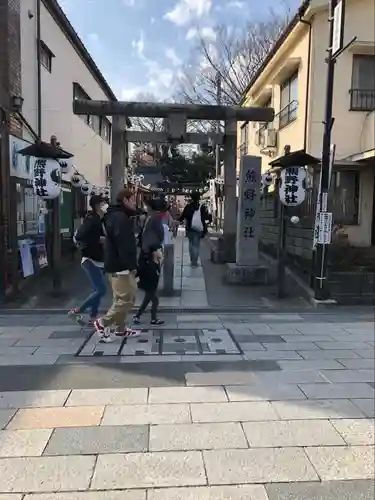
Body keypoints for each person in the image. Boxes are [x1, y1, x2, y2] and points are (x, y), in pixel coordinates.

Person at [94, 187, 139, 342]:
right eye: (133, 200)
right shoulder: (120, 218)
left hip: (115, 265)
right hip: (120, 267)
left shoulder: (116, 216)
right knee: (127, 298)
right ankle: (102, 323)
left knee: (120, 299)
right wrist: (131, 266)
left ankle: (120, 329)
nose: (135, 203)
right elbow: (124, 245)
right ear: (125, 200)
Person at [68, 194, 108, 327]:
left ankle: (93, 317)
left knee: (97, 290)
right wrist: (97, 240)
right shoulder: (92, 219)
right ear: (97, 206)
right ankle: (76, 311)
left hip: (98, 259)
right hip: (91, 259)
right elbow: (80, 236)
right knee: (101, 290)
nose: (105, 206)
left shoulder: (99, 219)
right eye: (103, 203)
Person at [133, 245, 164, 326]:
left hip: (153, 285)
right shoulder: (148, 264)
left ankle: (137, 316)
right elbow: (139, 272)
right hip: (148, 285)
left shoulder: (157, 262)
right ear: (154, 253)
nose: (161, 253)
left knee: (147, 301)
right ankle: (153, 319)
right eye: (159, 251)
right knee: (155, 300)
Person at [179, 191, 212, 267]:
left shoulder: (188, 207)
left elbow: (183, 216)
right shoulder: (202, 207)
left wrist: (179, 221)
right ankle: (195, 261)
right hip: (199, 228)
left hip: (190, 228)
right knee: (196, 245)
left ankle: (192, 260)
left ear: (191, 198)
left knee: (191, 244)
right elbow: (206, 217)